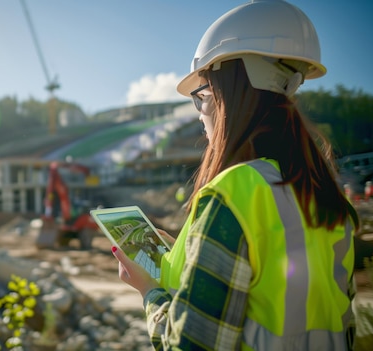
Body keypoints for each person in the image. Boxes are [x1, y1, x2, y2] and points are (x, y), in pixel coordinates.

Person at [111, 1, 359, 350]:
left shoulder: (232, 193)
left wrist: (149, 291)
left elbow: (189, 345)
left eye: (204, 95)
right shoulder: (327, 198)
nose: (201, 113)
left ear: (229, 94)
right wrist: (186, 253)